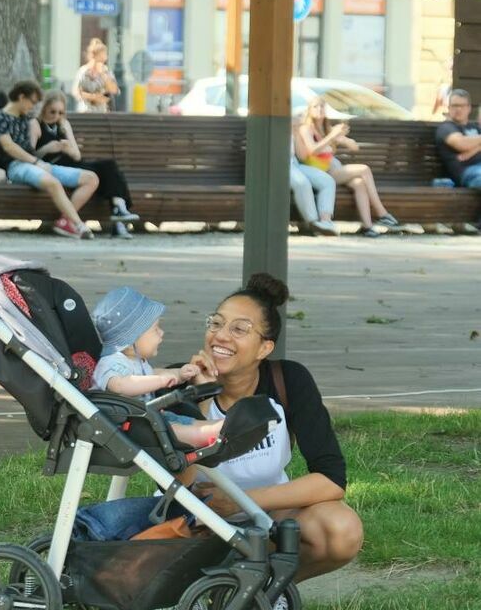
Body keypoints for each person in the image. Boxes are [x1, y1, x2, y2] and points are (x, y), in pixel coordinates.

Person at [187, 273, 363, 582]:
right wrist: (200, 398)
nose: (221, 336)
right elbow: (175, 481)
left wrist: (243, 500)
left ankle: (268, 590)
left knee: (341, 529)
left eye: (239, 329)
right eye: (215, 323)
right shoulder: (182, 381)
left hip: (267, 515)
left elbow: (331, 479)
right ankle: (200, 587)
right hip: (197, 524)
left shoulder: (288, 380)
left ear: (264, 348)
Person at [90, 287, 222, 448]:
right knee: (177, 429)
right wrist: (159, 380)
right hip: (125, 426)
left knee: (183, 422)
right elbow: (120, 385)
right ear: (131, 339)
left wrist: (178, 374)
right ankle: (211, 433)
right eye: (155, 329)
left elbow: (152, 374)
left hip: (147, 419)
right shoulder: (111, 363)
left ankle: (218, 428)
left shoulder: (136, 360)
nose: (161, 333)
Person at [0, 80, 98, 239]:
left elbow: (37, 143)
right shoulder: (0, 118)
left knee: (91, 178)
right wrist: (36, 162)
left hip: (38, 165)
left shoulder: (25, 118)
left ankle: (65, 222)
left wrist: (62, 127)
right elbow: (9, 147)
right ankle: (78, 225)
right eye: (32, 102)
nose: (33, 106)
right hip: (16, 166)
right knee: (53, 182)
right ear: (21, 97)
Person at [30, 92, 140, 238]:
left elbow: (77, 156)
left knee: (109, 166)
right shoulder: (35, 124)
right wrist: (48, 148)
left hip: (73, 163)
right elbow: (30, 155)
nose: (56, 115)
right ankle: (118, 217)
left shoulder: (63, 124)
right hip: (53, 166)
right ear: (44, 109)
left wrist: (67, 148)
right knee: (106, 175)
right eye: (52, 111)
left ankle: (119, 208)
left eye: (60, 112)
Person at [295, 96, 401, 237]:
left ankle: (367, 227)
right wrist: (332, 137)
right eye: (315, 107)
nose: (319, 110)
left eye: (322, 107)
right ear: (310, 110)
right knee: (364, 169)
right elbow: (312, 149)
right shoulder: (306, 129)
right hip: (317, 172)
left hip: (331, 171)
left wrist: (344, 138)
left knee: (359, 183)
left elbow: (354, 147)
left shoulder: (327, 129)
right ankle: (382, 213)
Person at [289, 137, 338, 235]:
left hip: (295, 163)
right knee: (302, 183)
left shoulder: (295, 128)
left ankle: (325, 222)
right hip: (280, 163)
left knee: (327, 181)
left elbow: (302, 156)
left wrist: (296, 132)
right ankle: (312, 223)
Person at [435, 89, 481, 190]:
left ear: (469, 108)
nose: (458, 109)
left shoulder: (475, 127)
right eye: (455, 106)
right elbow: (462, 144)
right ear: (449, 108)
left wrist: (474, 150)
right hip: (467, 172)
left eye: (462, 106)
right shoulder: (446, 128)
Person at [72, 38, 119, 113]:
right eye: (99, 58)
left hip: (103, 112)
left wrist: (103, 74)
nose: (102, 62)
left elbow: (114, 90)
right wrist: (93, 97)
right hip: (85, 111)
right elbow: (76, 91)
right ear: (92, 56)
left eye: (103, 59)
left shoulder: (106, 72)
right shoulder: (83, 71)